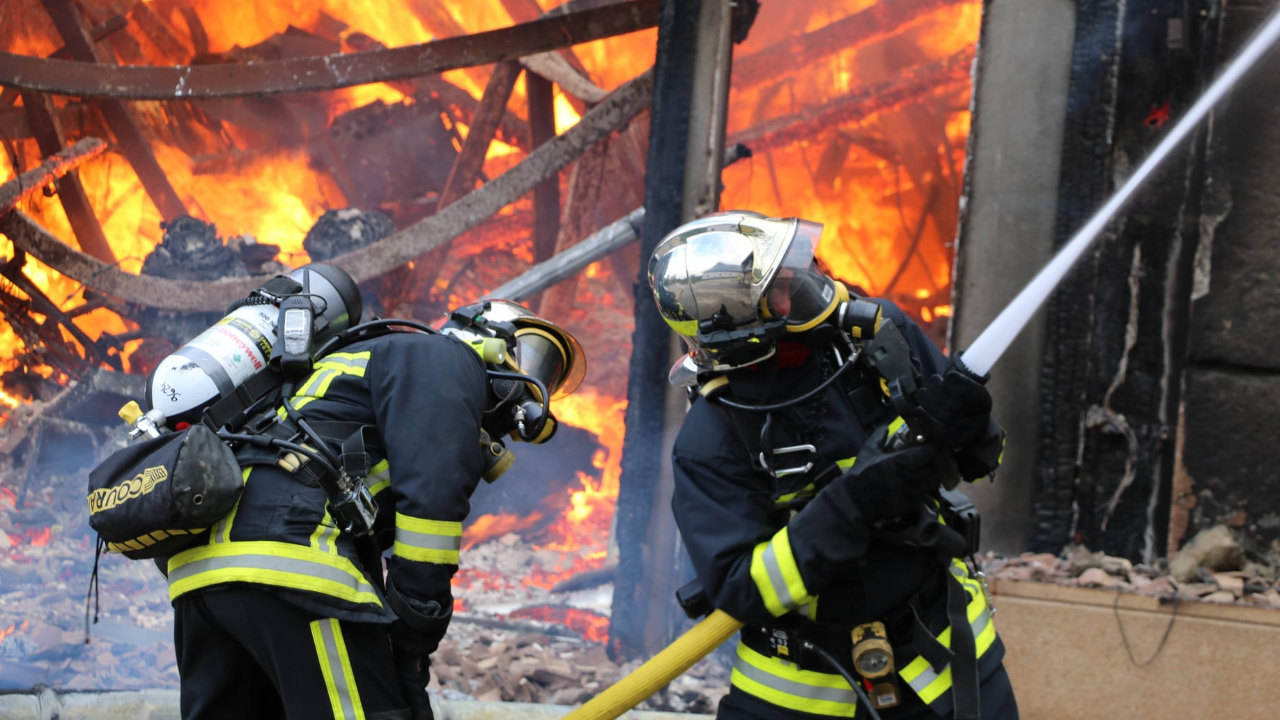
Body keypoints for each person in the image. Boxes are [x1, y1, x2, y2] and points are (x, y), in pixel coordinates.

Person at [648, 211, 1017, 720]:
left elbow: (980, 459)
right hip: (803, 693)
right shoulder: (712, 438)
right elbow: (741, 586)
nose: (808, 282)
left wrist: (969, 424)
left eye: (801, 266)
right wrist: (852, 505)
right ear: (739, 327)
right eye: (782, 287)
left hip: (951, 663)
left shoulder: (878, 340)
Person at [167, 299, 585, 720]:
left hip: (199, 577)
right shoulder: (444, 359)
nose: (533, 382)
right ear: (484, 337)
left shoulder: (353, 362)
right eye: (532, 355)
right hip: (292, 566)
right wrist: (415, 632)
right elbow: (430, 509)